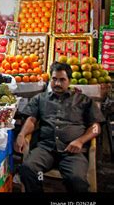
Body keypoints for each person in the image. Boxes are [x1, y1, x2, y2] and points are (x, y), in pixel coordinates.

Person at [15, 62, 104, 192]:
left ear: (69, 81)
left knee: (76, 180)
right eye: (54, 79)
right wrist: (21, 134)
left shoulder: (83, 100)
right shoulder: (41, 98)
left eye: (62, 80)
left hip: (72, 152)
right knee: (29, 170)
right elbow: (31, 119)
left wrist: (80, 141)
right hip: (45, 149)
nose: (57, 83)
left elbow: (96, 127)